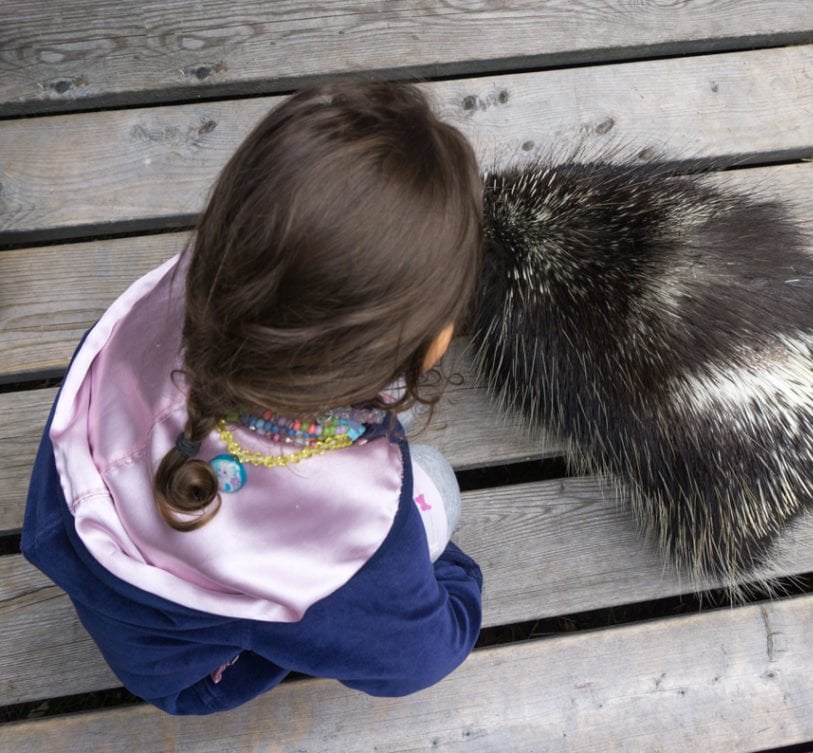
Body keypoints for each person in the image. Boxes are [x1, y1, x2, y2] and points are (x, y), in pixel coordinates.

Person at [21, 82, 484, 715]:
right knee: (432, 486)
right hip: (191, 670)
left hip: (94, 547)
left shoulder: (187, 294)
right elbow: (416, 657)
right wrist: (457, 580)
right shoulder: (344, 547)